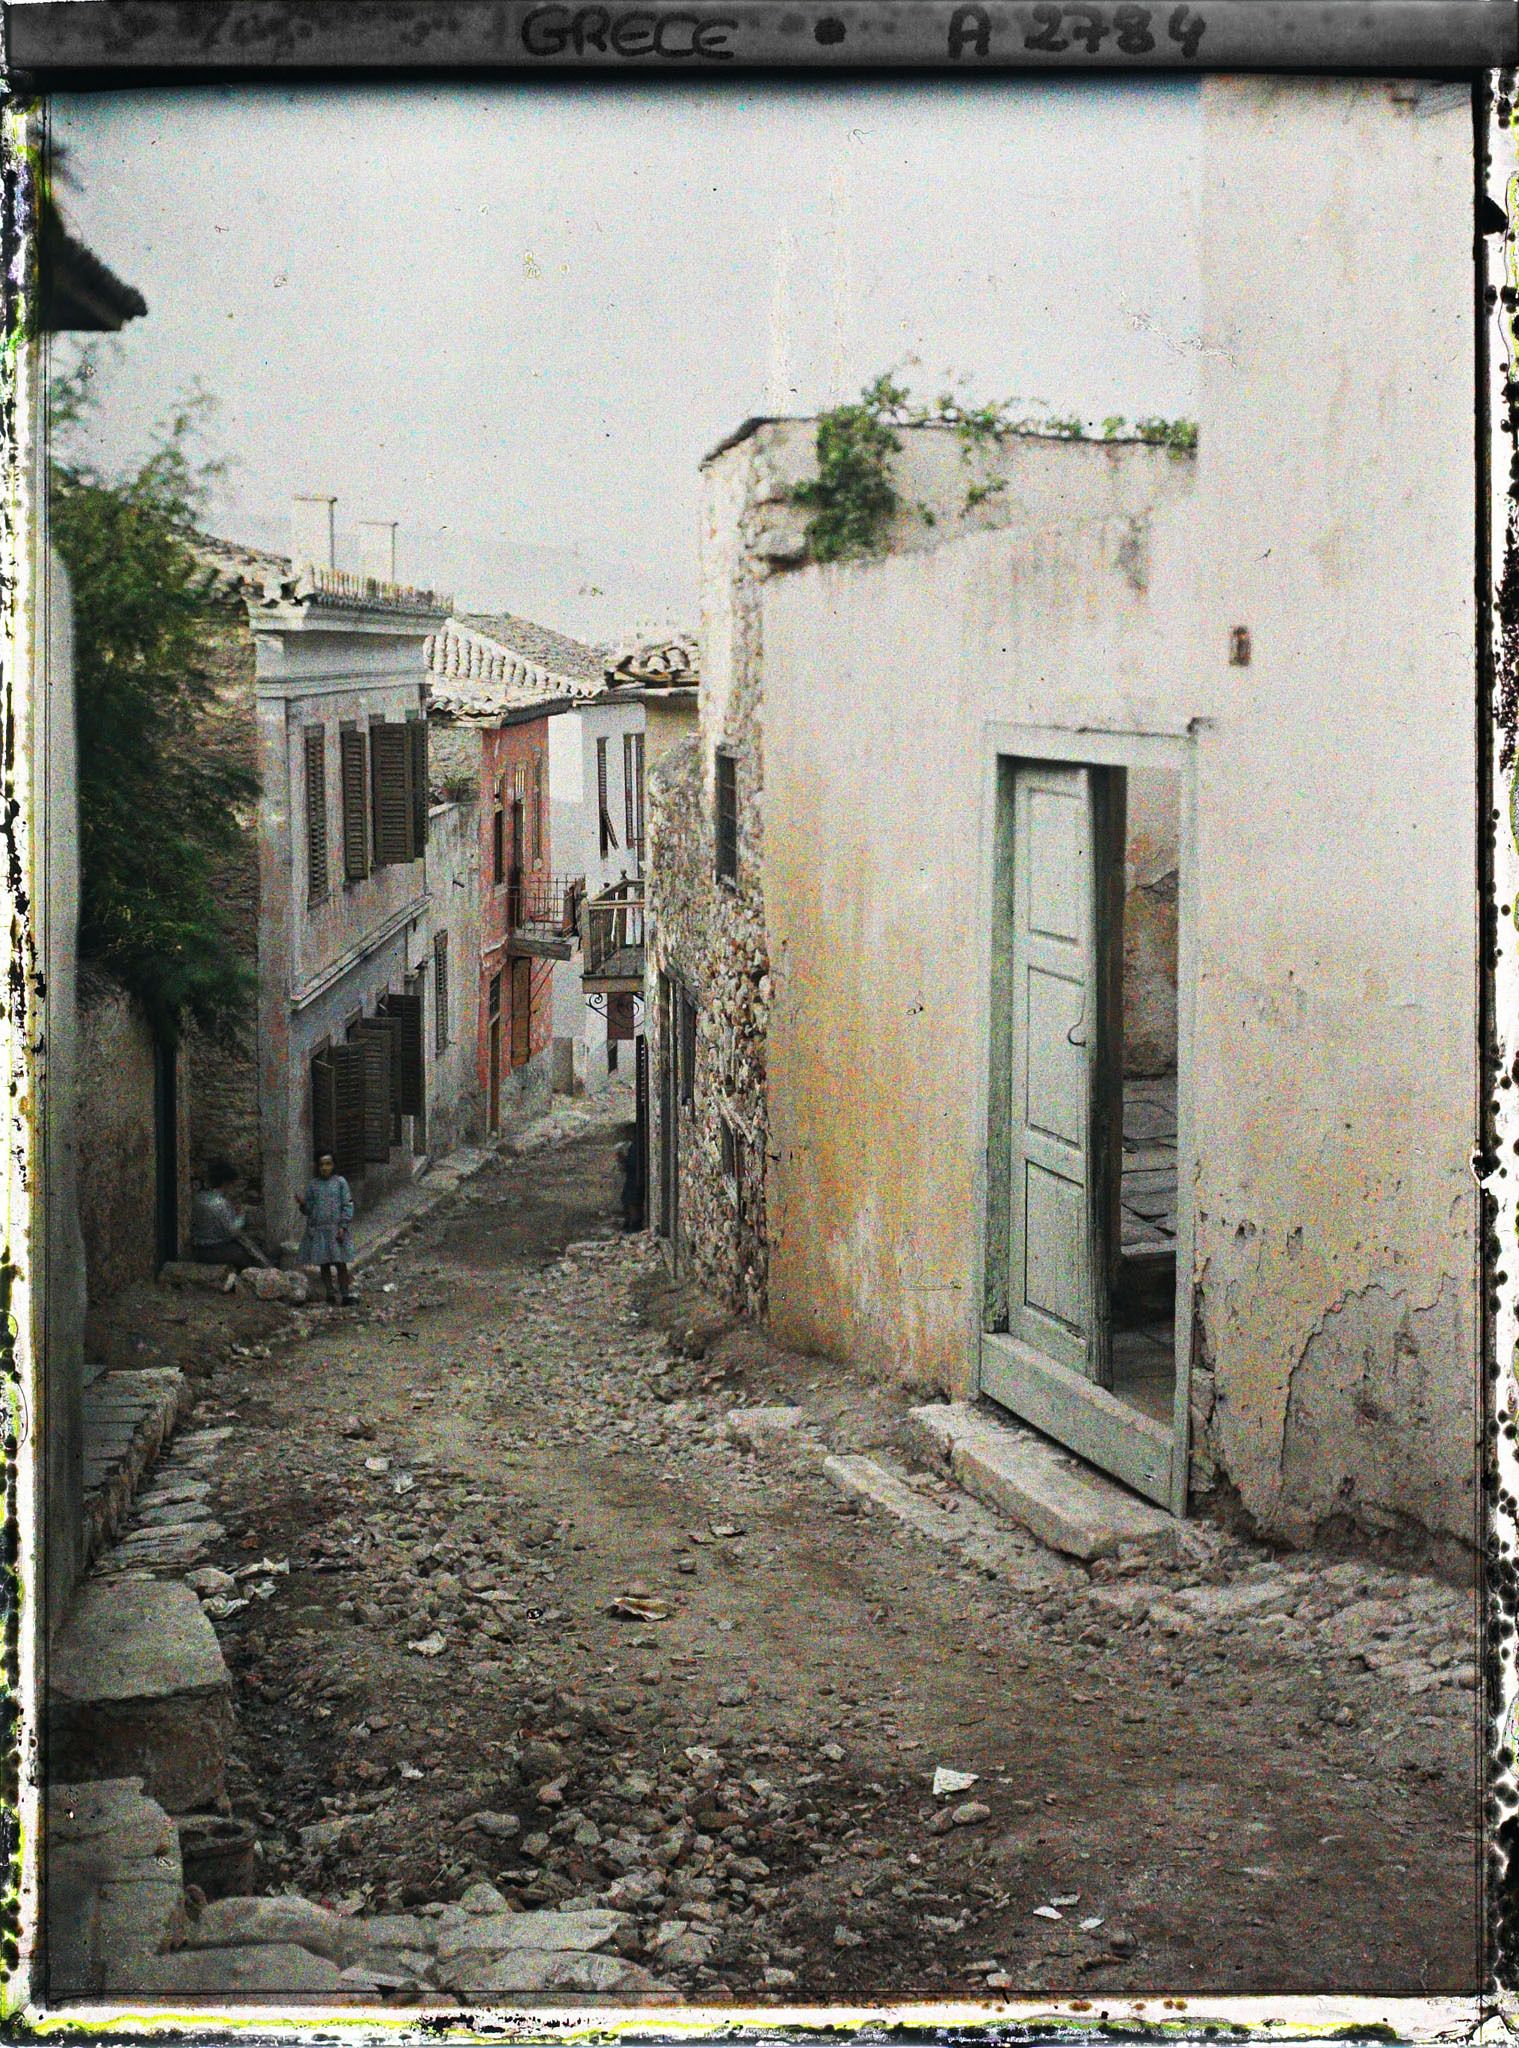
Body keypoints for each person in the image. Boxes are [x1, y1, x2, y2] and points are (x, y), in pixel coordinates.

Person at [297, 1152, 356, 1306]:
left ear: (333, 1165)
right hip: (319, 1230)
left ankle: (345, 1294)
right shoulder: (313, 1185)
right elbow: (309, 1210)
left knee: (340, 1263)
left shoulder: (340, 1182)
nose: (325, 1168)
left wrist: (343, 1226)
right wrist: (303, 1204)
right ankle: (329, 1293)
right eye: (322, 1164)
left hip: (336, 1229)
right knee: (324, 1264)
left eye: (328, 1164)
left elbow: (347, 1204)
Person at [190, 1160, 267, 1270]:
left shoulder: (198, 1198)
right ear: (227, 1184)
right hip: (213, 1250)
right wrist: (241, 1216)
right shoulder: (220, 1203)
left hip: (198, 1248)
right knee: (247, 1255)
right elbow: (232, 1232)